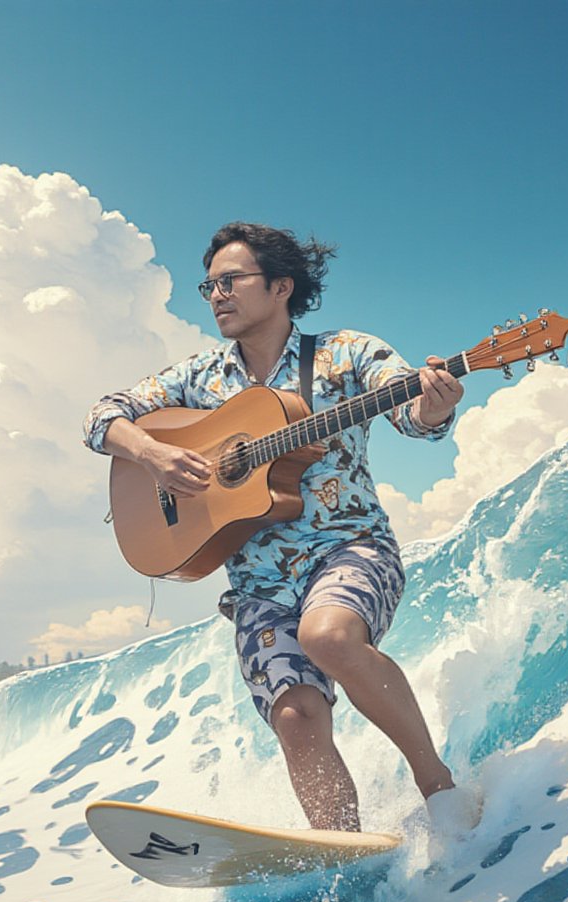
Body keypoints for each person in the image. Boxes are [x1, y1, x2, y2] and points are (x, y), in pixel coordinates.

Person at [84, 222, 480, 838]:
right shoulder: (199, 378)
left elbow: (412, 415)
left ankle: (441, 791)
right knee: (295, 715)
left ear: (280, 287)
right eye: (209, 285)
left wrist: (435, 404)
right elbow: (100, 416)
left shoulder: (346, 354)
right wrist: (151, 453)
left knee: (328, 636)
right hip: (257, 582)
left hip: (351, 549)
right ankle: (344, 850)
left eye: (231, 281)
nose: (216, 295)